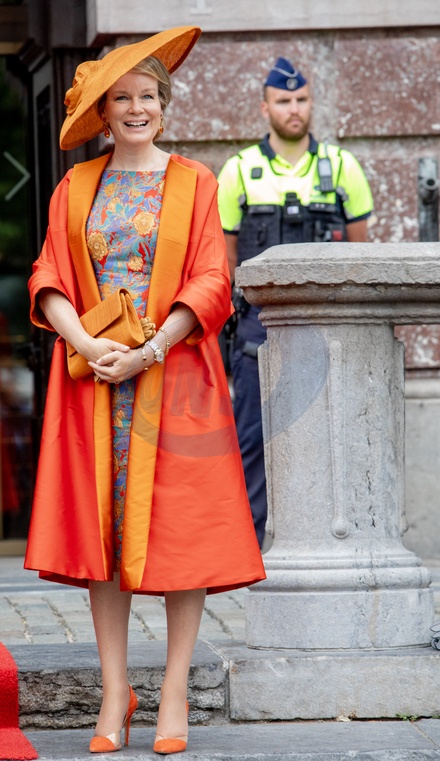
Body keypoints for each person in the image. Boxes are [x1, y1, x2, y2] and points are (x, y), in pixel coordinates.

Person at [24, 26, 265, 755]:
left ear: (165, 103)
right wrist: (84, 341)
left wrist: (151, 349)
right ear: (102, 113)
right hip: (96, 381)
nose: (136, 108)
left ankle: (174, 693)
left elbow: (213, 279)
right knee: (104, 537)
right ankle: (113, 690)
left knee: (182, 536)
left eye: (148, 96)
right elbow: (48, 274)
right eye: (122, 98)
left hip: (175, 377)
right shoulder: (76, 186)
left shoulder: (195, 182)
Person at [217, 57, 374, 547]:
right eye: (283, 100)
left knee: (339, 438)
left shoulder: (342, 167)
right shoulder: (240, 171)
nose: (294, 108)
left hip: (331, 329)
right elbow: (224, 265)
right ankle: (248, 550)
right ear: (265, 108)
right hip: (256, 330)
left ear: (311, 104)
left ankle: (339, 545)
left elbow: (362, 259)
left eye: (301, 99)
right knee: (252, 440)